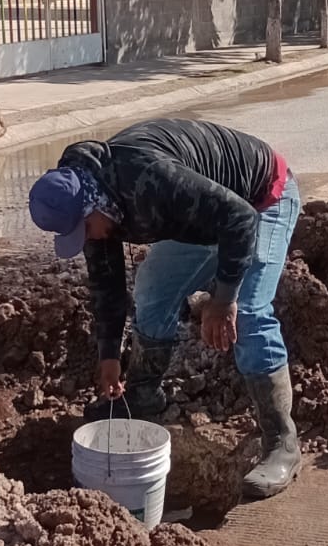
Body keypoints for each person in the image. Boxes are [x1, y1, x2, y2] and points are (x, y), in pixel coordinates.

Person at [28, 118, 301, 501]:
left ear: (94, 203)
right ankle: (142, 395)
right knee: (153, 290)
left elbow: (238, 218)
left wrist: (223, 301)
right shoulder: (92, 205)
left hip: (261, 198)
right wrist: (108, 356)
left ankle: (281, 442)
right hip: (205, 215)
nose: (88, 239)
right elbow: (107, 286)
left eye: (86, 230)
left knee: (251, 313)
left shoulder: (149, 179)